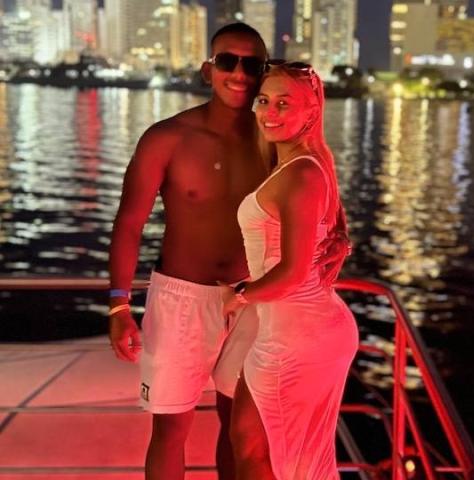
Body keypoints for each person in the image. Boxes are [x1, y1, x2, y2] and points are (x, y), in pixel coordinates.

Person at [107, 24, 348, 480]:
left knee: (239, 429)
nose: (239, 73)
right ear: (208, 69)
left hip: (252, 301)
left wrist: (337, 238)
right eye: (227, 61)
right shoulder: (167, 137)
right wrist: (119, 304)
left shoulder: (275, 141)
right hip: (183, 298)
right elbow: (129, 223)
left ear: (263, 73)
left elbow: (315, 190)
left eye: (251, 65)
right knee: (170, 429)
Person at [222, 61, 359, 480]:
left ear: (311, 112)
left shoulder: (302, 172)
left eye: (284, 103)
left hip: (298, 336)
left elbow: (294, 273)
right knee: (261, 449)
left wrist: (238, 296)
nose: (270, 112)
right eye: (264, 101)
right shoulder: (303, 164)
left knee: (266, 454)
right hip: (293, 327)